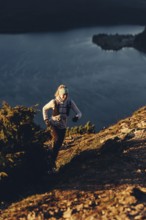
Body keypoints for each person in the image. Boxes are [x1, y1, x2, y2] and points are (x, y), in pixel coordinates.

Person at [42, 84, 82, 172]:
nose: (65, 96)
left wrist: (77, 117)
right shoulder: (54, 102)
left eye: (66, 94)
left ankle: (51, 161)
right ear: (59, 94)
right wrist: (46, 120)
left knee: (58, 144)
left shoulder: (70, 102)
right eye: (63, 94)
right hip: (53, 124)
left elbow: (79, 113)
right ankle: (50, 163)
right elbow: (44, 108)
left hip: (63, 126)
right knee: (56, 140)